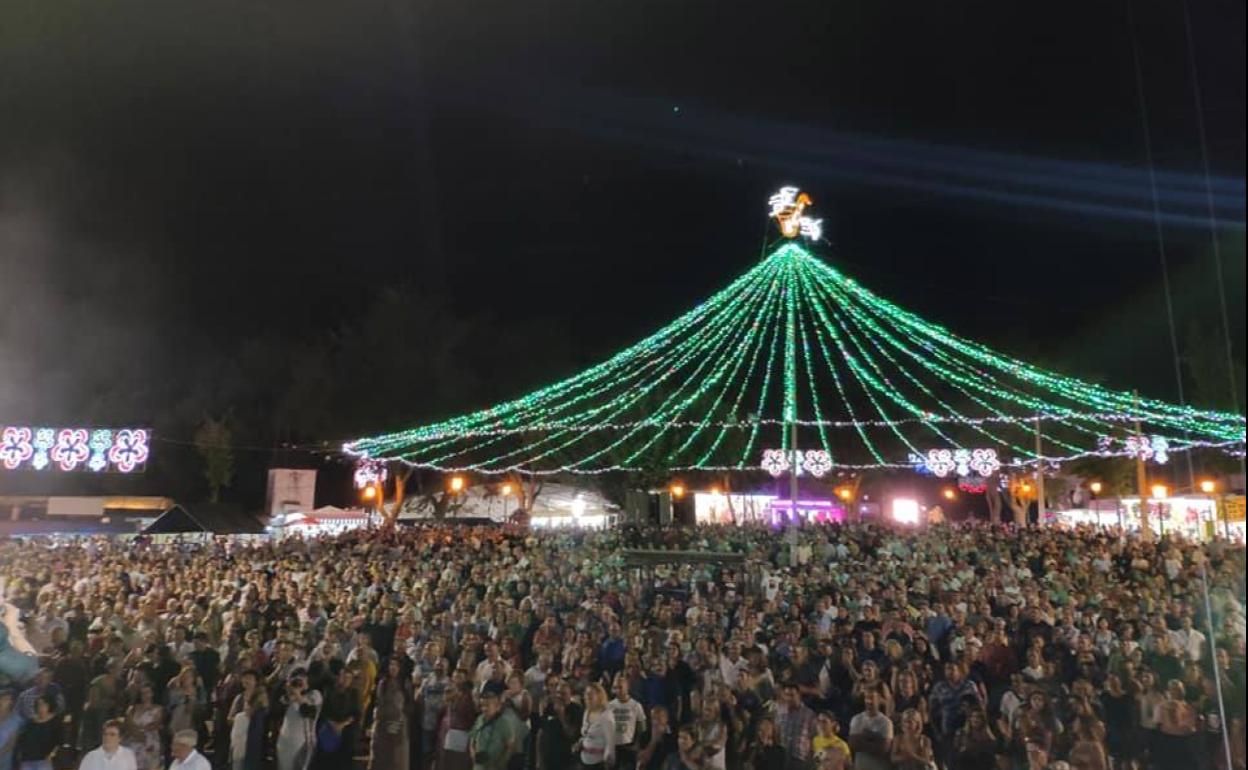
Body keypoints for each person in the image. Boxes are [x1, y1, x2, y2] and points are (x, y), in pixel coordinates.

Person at [370, 657, 412, 770]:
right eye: (391, 665)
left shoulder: (405, 683)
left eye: (396, 665)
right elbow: (379, 702)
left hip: (399, 724)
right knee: (381, 755)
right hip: (383, 723)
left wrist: (400, 719)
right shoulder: (383, 683)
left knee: (397, 757)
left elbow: (408, 704)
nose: (393, 667)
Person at [276, 672, 321, 770]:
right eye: (296, 680)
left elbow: (309, 713)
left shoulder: (314, 694)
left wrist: (298, 695)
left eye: (302, 680)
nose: (298, 683)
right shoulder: (288, 696)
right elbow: (276, 709)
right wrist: (289, 690)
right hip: (285, 740)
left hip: (303, 742)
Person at [469, 690, 515, 770]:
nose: (484, 708)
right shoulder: (479, 719)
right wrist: (473, 755)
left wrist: (499, 764)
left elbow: (510, 747)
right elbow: (472, 740)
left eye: (487, 705)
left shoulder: (504, 723)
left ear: (497, 707)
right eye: (482, 705)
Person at [847, 690, 892, 770]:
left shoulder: (886, 722)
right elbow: (853, 743)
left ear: (879, 700)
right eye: (867, 698)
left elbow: (883, 749)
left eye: (872, 698)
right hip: (861, 766)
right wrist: (876, 739)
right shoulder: (857, 719)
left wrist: (864, 736)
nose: (869, 701)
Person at [125, 684, 163, 770]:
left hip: (149, 741)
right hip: (133, 739)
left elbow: (156, 723)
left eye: (147, 692)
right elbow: (128, 723)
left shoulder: (158, 709)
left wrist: (142, 731)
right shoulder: (132, 708)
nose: (145, 695)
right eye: (143, 693)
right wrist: (136, 733)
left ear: (152, 693)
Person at [14, 695, 57, 770]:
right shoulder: (30, 722)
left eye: (44, 704)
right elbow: (22, 739)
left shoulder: (55, 722)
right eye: (39, 704)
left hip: (44, 761)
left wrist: (52, 754)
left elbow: (59, 741)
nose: (41, 707)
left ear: (50, 705)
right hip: (27, 760)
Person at [579, 683, 616, 770]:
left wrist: (608, 763)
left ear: (599, 696)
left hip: (598, 764)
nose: (588, 696)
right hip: (584, 760)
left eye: (591, 694)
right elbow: (585, 734)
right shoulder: (587, 712)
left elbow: (610, 743)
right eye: (586, 694)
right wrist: (580, 742)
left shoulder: (606, 716)